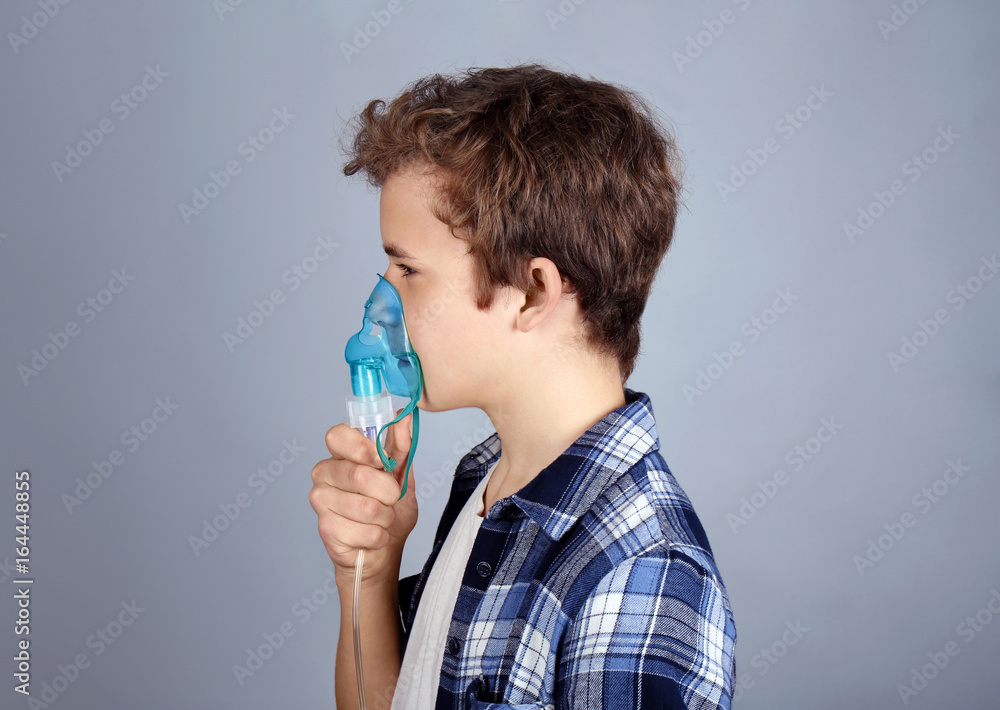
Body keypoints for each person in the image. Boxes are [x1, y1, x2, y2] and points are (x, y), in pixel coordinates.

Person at [309, 62, 737, 709]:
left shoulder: (640, 575)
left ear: (533, 291)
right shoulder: (491, 485)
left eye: (408, 268)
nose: (382, 301)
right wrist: (366, 573)